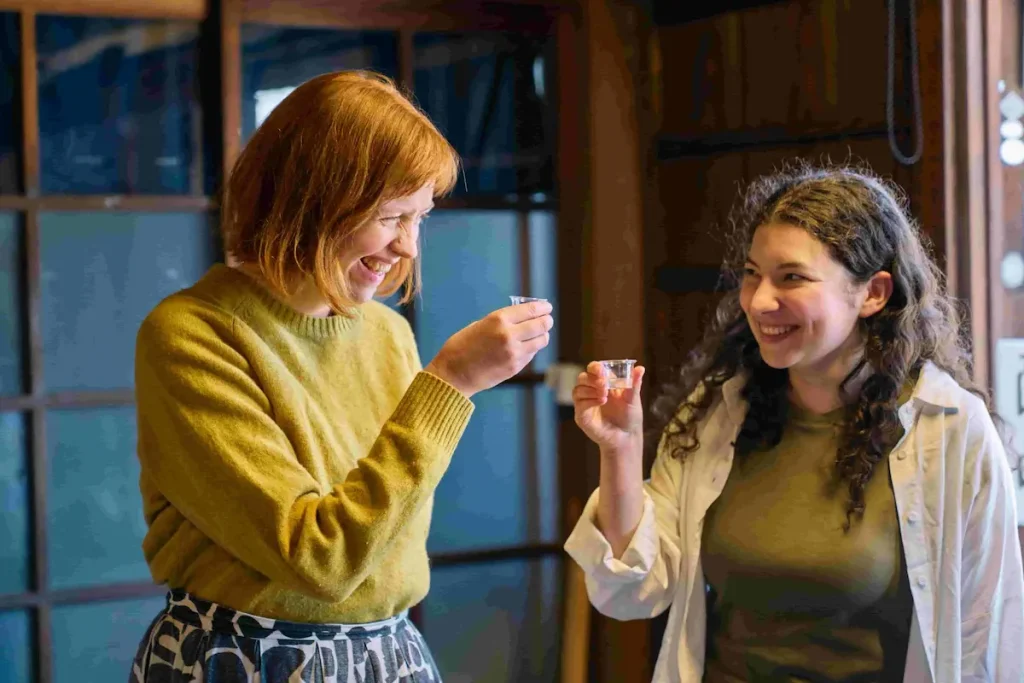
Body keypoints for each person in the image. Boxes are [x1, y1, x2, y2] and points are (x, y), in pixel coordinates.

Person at [128, 71, 553, 682]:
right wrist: (450, 384)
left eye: (420, 217)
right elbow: (320, 562)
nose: (408, 247)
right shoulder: (191, 336)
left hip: (391, 651)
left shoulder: (386, 333)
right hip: (242, 657)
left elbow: (389, 540)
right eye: (391, 216)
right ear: (309, 202)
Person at [565, 162, 1024, 682]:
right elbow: (630, 592)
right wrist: (620, 449)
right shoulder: (718, 411)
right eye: (752, 274)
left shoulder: (949, 428)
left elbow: (987, 639)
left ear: (873, 293)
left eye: (792, 278)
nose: (759, 301)